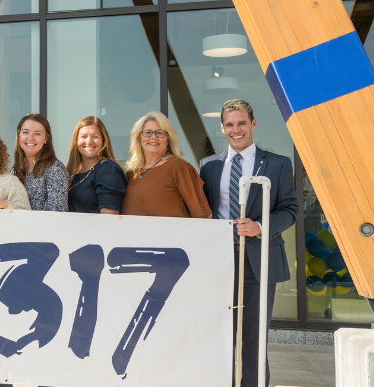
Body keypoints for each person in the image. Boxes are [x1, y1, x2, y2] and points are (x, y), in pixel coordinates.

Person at [199, 99, 297, 387]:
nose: (236, 130)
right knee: (221, 335)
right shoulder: (209, 166)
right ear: (222, 128)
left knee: (253, 336)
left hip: (259, 260)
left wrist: (259, 227)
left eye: (241, 123)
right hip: (220, 263)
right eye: (229, 124)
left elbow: (290, 209)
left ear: (253, 124)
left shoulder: (278, 164)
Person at [120, 111, 211, 218]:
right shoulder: (131, 173)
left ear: (168, 140)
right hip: (133, 234)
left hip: (172, 234)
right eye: (147, 132)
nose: (153, 137)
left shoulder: (179, 168)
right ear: (139, 138)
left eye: (159, 133)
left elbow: (203, 215)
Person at [65, 116, 126, 214]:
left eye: (95, 136)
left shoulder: (107, 169)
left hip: (94, 229)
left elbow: (109, 220)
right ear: (76, 141)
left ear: (103, 141)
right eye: (83, 136)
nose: (89, 142)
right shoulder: (72, 171)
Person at [11, 114, 68, 212]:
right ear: (19, 136)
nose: (30, 138)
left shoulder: (55, 168)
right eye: (25, 132)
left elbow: (57, 211)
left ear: (46, 139)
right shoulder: (14, 170)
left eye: (37, 133)